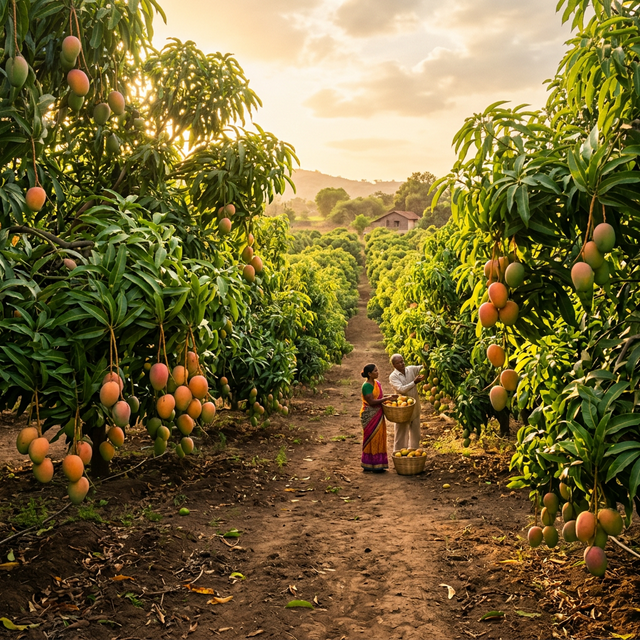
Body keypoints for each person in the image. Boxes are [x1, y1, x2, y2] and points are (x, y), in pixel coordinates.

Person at [360, 363, 397, 473]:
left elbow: (379, 397)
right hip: (369, 414)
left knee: (379, 437)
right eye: (375, 371)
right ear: (369, 374)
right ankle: (370, 463)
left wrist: (389, 398)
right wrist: (387, 399)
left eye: (377, 370)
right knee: (372, 438)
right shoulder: (366, 386)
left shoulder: (377, 383)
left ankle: (378, 464)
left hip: (378, 413)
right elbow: (371, 402)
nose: (377, 372)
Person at [388, 354, 424, 451]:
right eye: (398, 363)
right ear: (394, 365)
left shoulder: (411, 369)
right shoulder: (393, 376)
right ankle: (398, 456)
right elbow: (401, 389)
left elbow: (422, 368)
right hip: (402, 410)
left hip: (415, 409)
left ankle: (413, 455)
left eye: (402, 361)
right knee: (401, 435)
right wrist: (414, 382)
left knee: (416, 435)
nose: (402, 364)